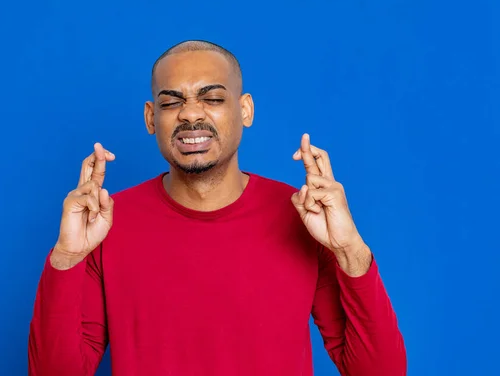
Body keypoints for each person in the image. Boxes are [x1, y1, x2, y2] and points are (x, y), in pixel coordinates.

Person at [27, 40, 407, 376]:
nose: (191, 115)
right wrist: (67, 257)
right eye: (172, 101)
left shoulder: (305, 217)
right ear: (150, 118)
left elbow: (380, 371)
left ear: (245, 110)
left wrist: (349, 249)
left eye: (212, 98)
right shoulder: (107, 223)